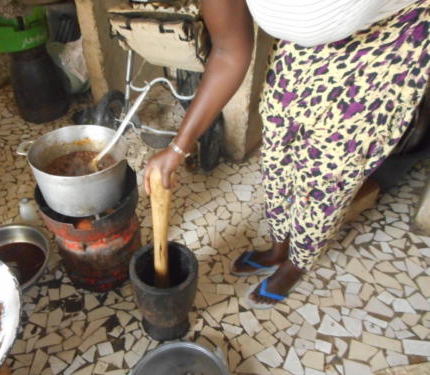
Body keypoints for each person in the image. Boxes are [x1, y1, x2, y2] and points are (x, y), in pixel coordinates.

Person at [144, 0, 429, 309]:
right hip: (300, 53)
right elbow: (228, 52)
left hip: (383, 46)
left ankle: (296, 263)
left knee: (326, 179)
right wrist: (177, 147)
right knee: (277, 156)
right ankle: (279, 247)